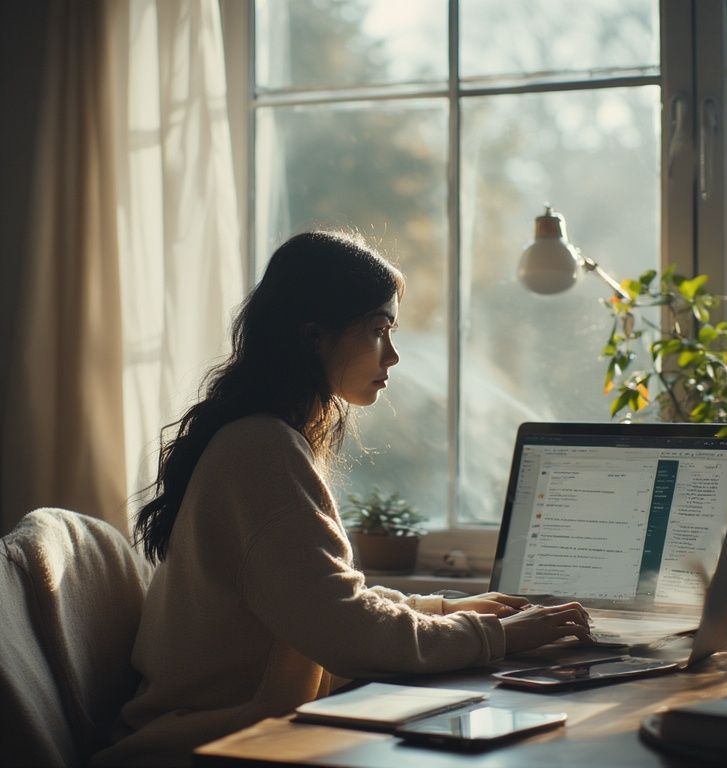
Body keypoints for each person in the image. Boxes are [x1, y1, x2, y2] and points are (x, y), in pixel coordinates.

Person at [93, 230, 590, 767]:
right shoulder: (259, 449)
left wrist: (447, 608)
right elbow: (345, 631)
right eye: (379, 330)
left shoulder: (264, 437)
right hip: (201, 748)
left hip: (250, 737)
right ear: (313, 335)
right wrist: (496, 636)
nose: (394, 355)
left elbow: (319, 603)